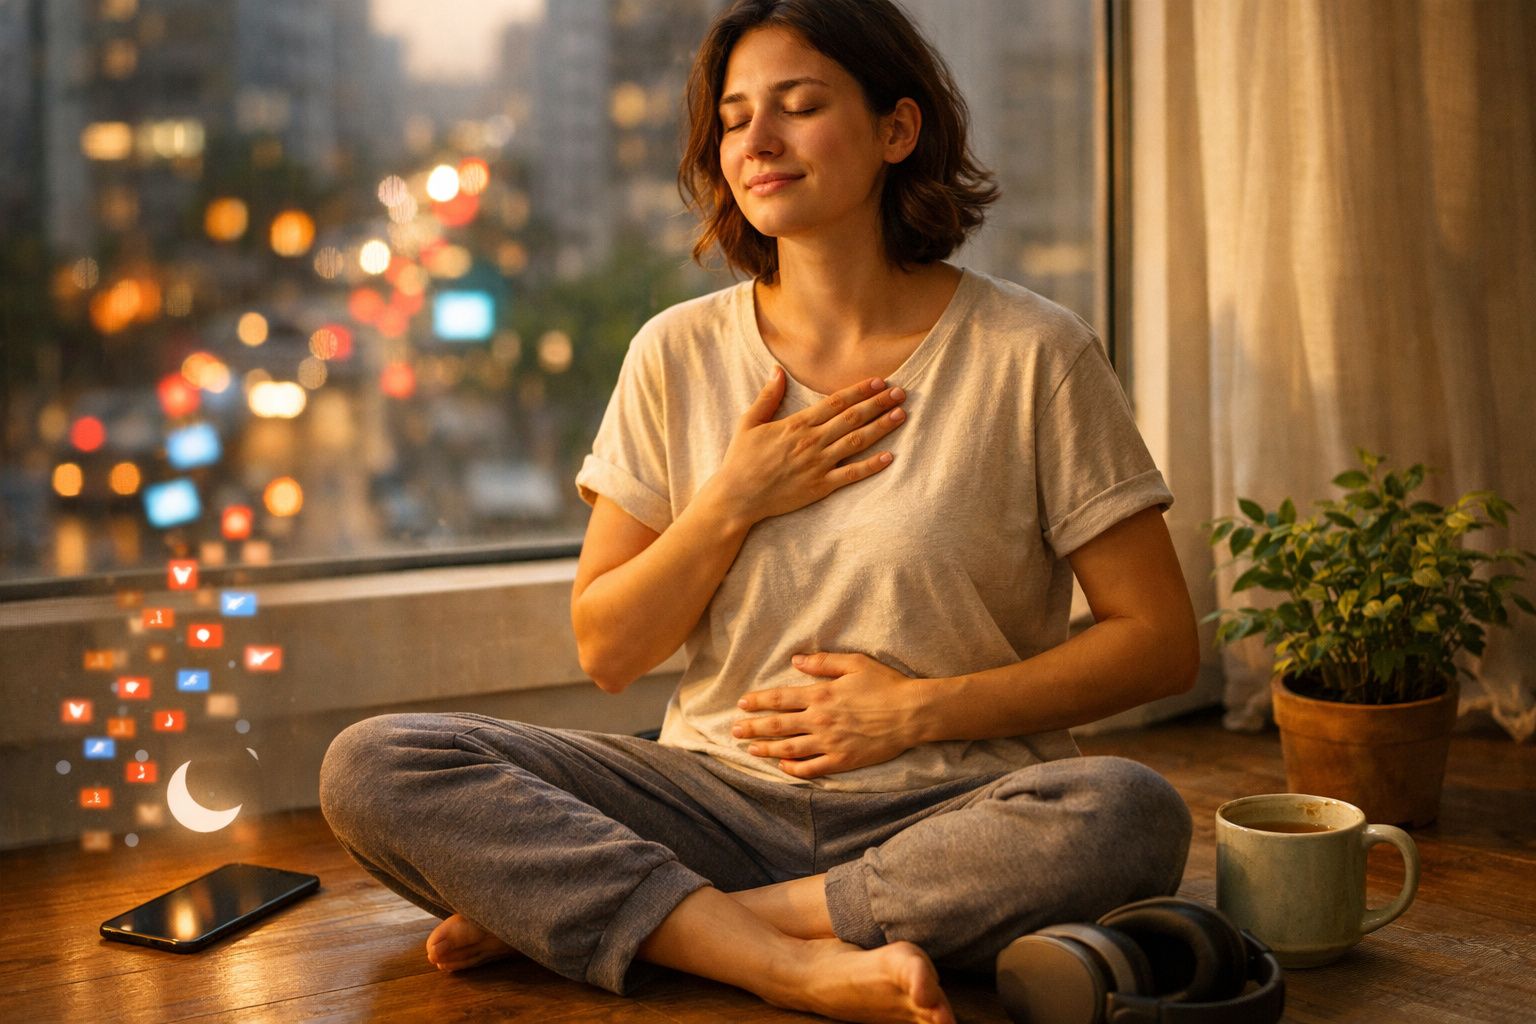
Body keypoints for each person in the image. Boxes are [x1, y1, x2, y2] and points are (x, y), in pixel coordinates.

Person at [319, 2, 1198, 1021]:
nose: (757, 144)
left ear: (896, 131)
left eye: (799, 106)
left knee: (1130, 815)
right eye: (734, 119)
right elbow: (609, 647)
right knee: (378, 763)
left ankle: (679, 922)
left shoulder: (1032, 354)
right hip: (712, 799)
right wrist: (732, 498)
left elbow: (1159, 642)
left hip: (952, 809)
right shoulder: (675, 354)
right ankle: (786, 958)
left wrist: (915, 709)